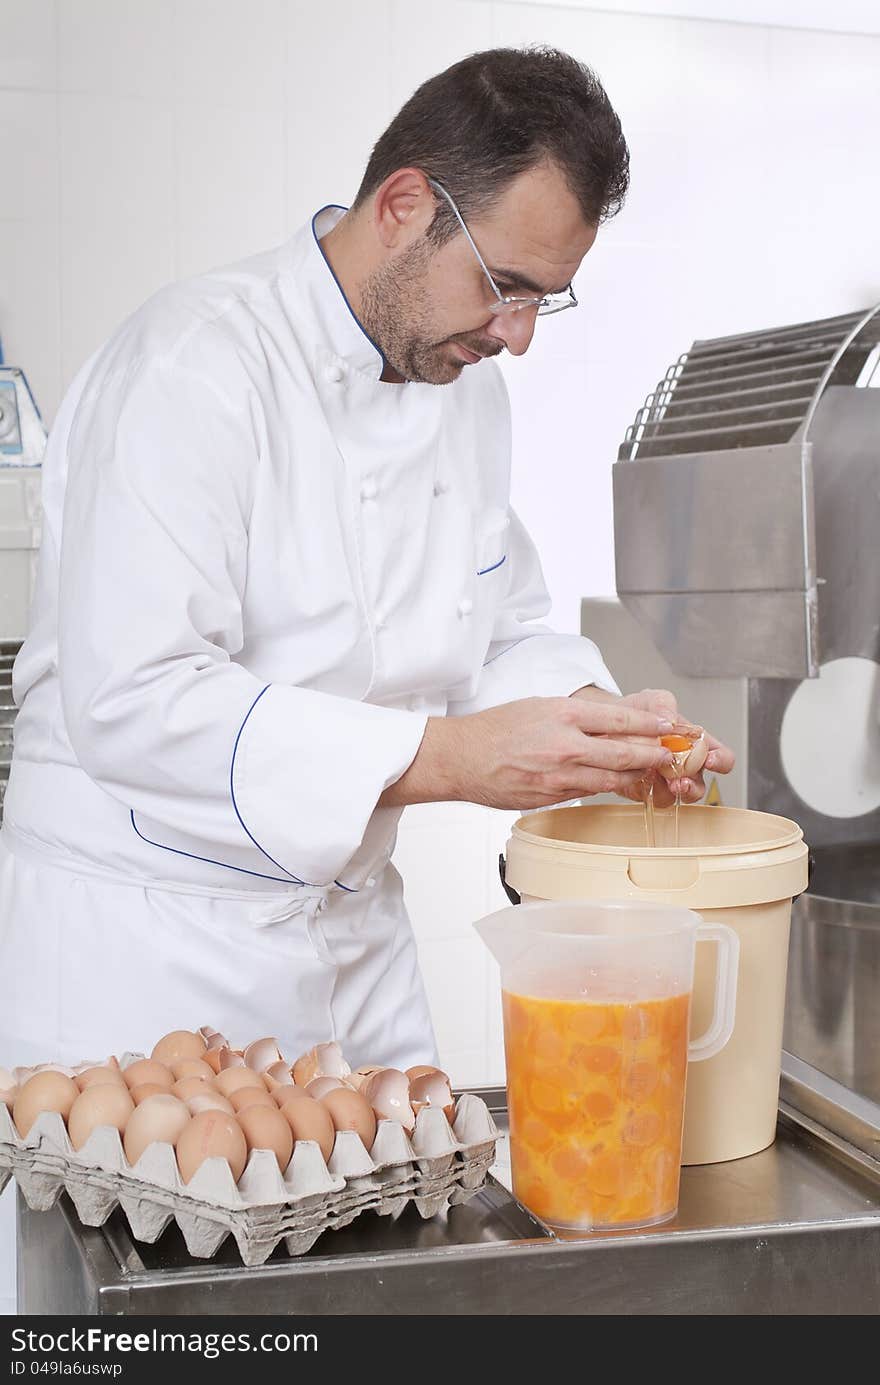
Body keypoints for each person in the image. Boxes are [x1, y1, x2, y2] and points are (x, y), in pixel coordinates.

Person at [0, 46, 732, 1100]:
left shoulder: (461, 385)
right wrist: (451, 758)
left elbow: (495, 624)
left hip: (350, 948)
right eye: (504, 285)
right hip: (143, 957)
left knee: (396, 1255)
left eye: (544, 303)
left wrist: (589, 724)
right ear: (401, 204)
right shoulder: (194, 367)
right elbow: (135, 698)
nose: (517, 337)